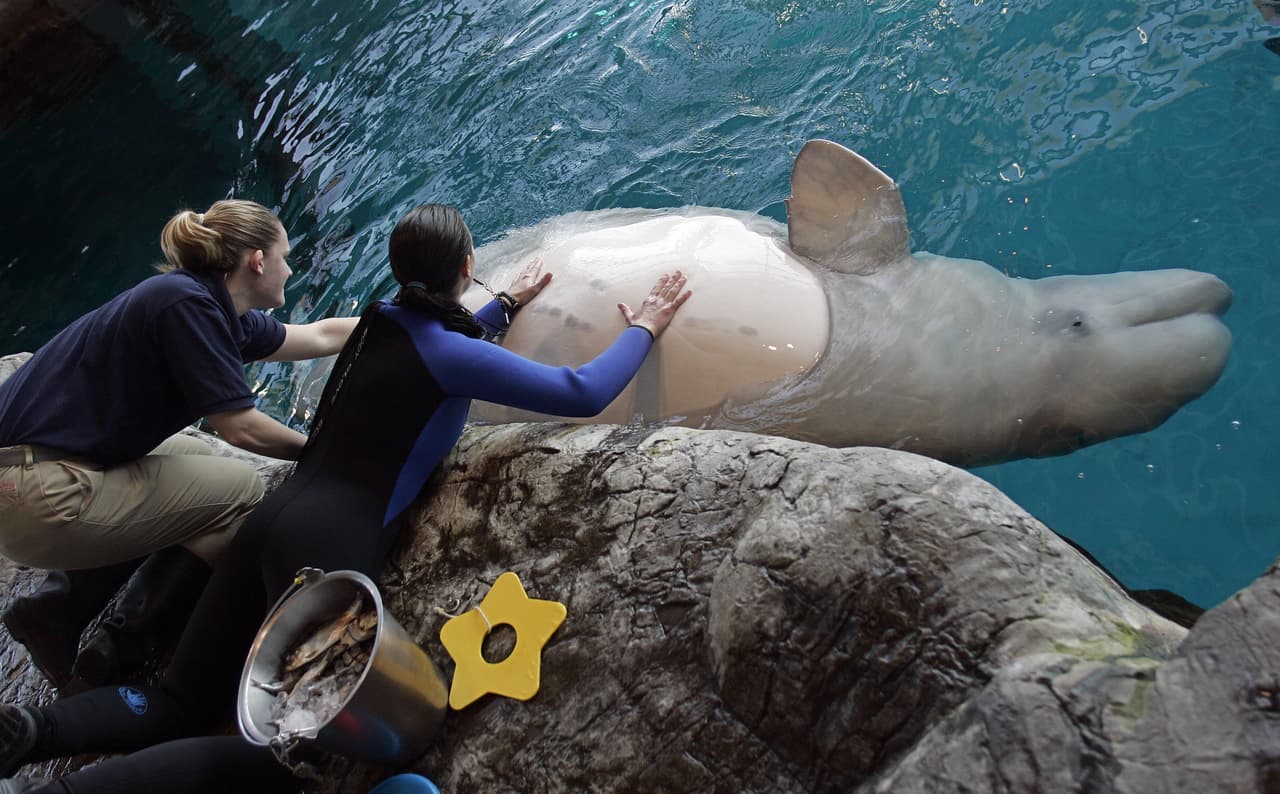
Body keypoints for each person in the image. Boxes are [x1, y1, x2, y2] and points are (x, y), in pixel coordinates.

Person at [0, 202, 692, 793]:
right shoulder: (448, 350)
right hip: (324, 553)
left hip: (272, 522)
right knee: (280, 761)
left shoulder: (382, 320)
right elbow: (583, 392)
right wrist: (646, 326)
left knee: (180, 701)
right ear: (466, 264)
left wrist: (503, 307)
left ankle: (34, 731)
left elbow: (438, 350)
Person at [0, 200, 358, 692]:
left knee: (199, 459)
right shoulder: (188, 307)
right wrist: (323, 450)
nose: (289, 268)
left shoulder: (205, 303)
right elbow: (243, 429)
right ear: (257, 261)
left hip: (38, 473)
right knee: (243, 490)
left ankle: (59, 610)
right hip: (34, 492)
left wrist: (401, 323)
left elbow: (317, 335)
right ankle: (115, 635)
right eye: (285, 255)